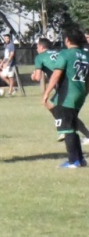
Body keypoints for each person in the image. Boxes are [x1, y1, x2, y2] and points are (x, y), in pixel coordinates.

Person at [42, 30, 89, 168]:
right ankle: (80, 160)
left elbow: (56, 74)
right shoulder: (87, 55)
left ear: (67, 40)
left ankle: (73, 161)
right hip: (80, 93)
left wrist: (47, 92)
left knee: (67, 128)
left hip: (67, 94)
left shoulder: (65, 53)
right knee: (72, 125)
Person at [32, 37, 89, 143]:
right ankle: (68, 128)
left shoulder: (40, 57)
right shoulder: (60, 52)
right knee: (65, 112)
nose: (36, 48)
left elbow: (38, 77)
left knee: (56, 107)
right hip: (74, 83)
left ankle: (64, 130)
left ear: (42, 46)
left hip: (63, 85)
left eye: (37, 46)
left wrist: (33, 75)